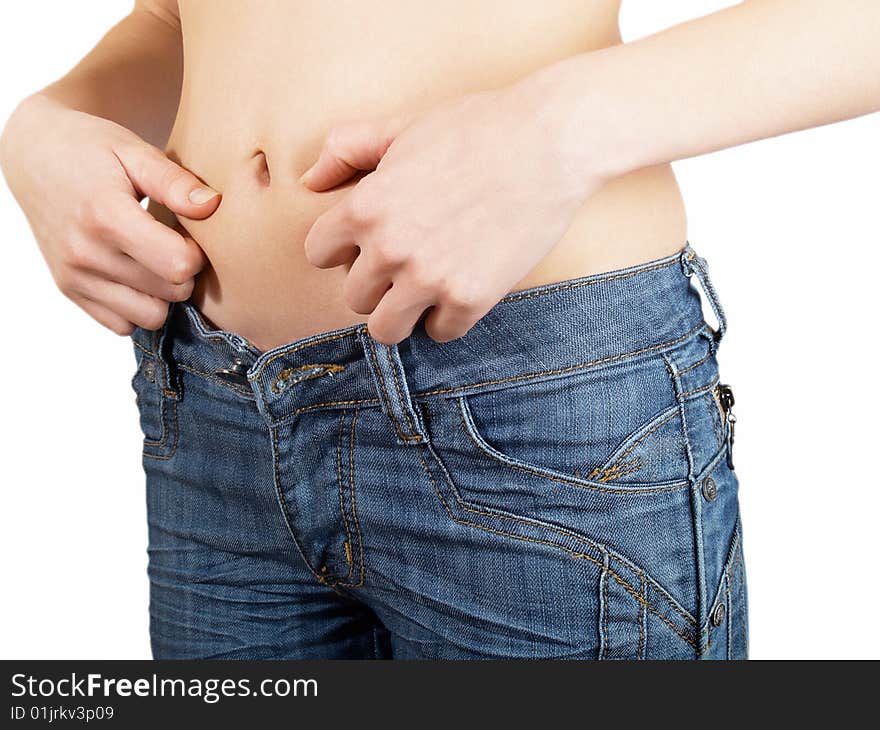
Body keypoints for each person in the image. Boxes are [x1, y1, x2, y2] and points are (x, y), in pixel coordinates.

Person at [1, 0, 877, 660]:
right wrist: (49, 122)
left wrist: (555, 131)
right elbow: (176, 16)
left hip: (532, 415)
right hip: (213, 417)